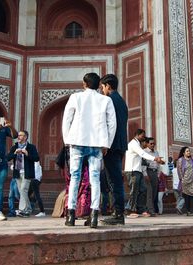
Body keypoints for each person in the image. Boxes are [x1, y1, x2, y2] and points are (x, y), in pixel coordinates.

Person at [62, 72, 117, 228]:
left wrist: (67, 140)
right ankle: (94, 214)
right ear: (99, 84)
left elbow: (67, 119)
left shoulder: (75, 97)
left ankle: (71, 214)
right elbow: (112, 124)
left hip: (77, 142)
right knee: (94, 179)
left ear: (84, 84)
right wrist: (107, 144)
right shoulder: (105, 100)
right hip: (96, 143)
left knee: (75, 178)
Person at [99, 74, 129, 225]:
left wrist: (105, 144)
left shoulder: (109, 100)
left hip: (111, 145)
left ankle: (118, 214)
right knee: (115, 180)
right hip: (120, 144)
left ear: (108, 86)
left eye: (102, 87)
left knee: (115, 181)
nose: (101, 90)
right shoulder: (121, 101)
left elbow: (109, 124)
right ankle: (117, 212)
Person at [125, 129, 164, 218]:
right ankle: (130, 210)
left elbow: (142, 161)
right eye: (142, 136)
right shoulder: (133, 144)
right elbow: (142, 154)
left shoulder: (138, 144)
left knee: (143, 189)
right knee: (134, 191)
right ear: (137, 135)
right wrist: (155, 159)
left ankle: (140, 209)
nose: (143, 138)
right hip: (132, 170)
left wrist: (158, 162)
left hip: (138, 171)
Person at [7, 130, 40, 217]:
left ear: (25, 137)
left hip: (27, 172)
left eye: (20, 135)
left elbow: (36, 158)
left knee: (23, 190)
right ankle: (28, 209)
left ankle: (22, 210)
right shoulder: (14, 147)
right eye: (18, 135)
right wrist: (14, 153)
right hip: (17, 172)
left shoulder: (31, 147)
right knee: (22, 191)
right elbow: (7, 158)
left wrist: (27, 154)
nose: (18, 137)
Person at [177, 147, 193, 216]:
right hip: (185, 181)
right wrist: (182, 179)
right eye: (187, 151)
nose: (189, 152)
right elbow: (179, 170)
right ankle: (188, 211)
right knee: (186, 196)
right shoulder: (180, 160)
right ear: (183, 153)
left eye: (189, 151)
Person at [144, 137, 160, 216]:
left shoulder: (156, 152)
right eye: (151, 143)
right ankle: (150, 210)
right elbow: (143, 164)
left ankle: (149, 208)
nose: (153, 145)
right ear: (147, 144)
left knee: (154, 192)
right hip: (148, 171)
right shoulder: (144, 152)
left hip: (155, 172)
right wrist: (145, 174)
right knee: (149, 192)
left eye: (154, 144)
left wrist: (158, 174)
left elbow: (158, 164)